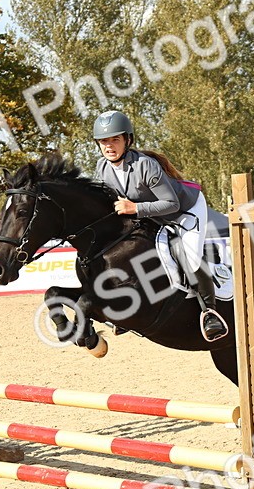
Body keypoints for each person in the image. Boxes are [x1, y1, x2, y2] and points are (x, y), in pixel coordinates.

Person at [92, 110, 228, 342]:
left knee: (190, 255)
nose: (109, 146)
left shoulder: (145, 165)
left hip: (185, 209)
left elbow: (171, 204)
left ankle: (209, 311)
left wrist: (134, 209)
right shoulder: (102, 168)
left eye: (115, 139)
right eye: (104, 141)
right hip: (150, 212)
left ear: (128, 140)